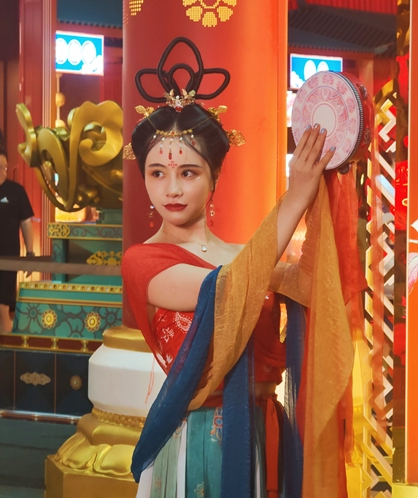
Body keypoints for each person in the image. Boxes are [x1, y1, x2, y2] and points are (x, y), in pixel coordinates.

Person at [122, 38, 350, 498]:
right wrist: (294, 197)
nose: (171, 189)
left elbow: (309, 284)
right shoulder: (143, 261)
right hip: (201, 440)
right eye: (157, 173)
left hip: (266, 428)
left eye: (188, 172)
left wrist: (325, 183)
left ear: (215, 178)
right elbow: (227, 288)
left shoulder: (246, 254)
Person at [0, 148, 34, 333]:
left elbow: (26, 223)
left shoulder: (16, 191)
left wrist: (30, 253)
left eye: (3, 167)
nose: (1, 171)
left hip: (8, 257)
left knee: (2, 309)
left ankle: (5, 346)